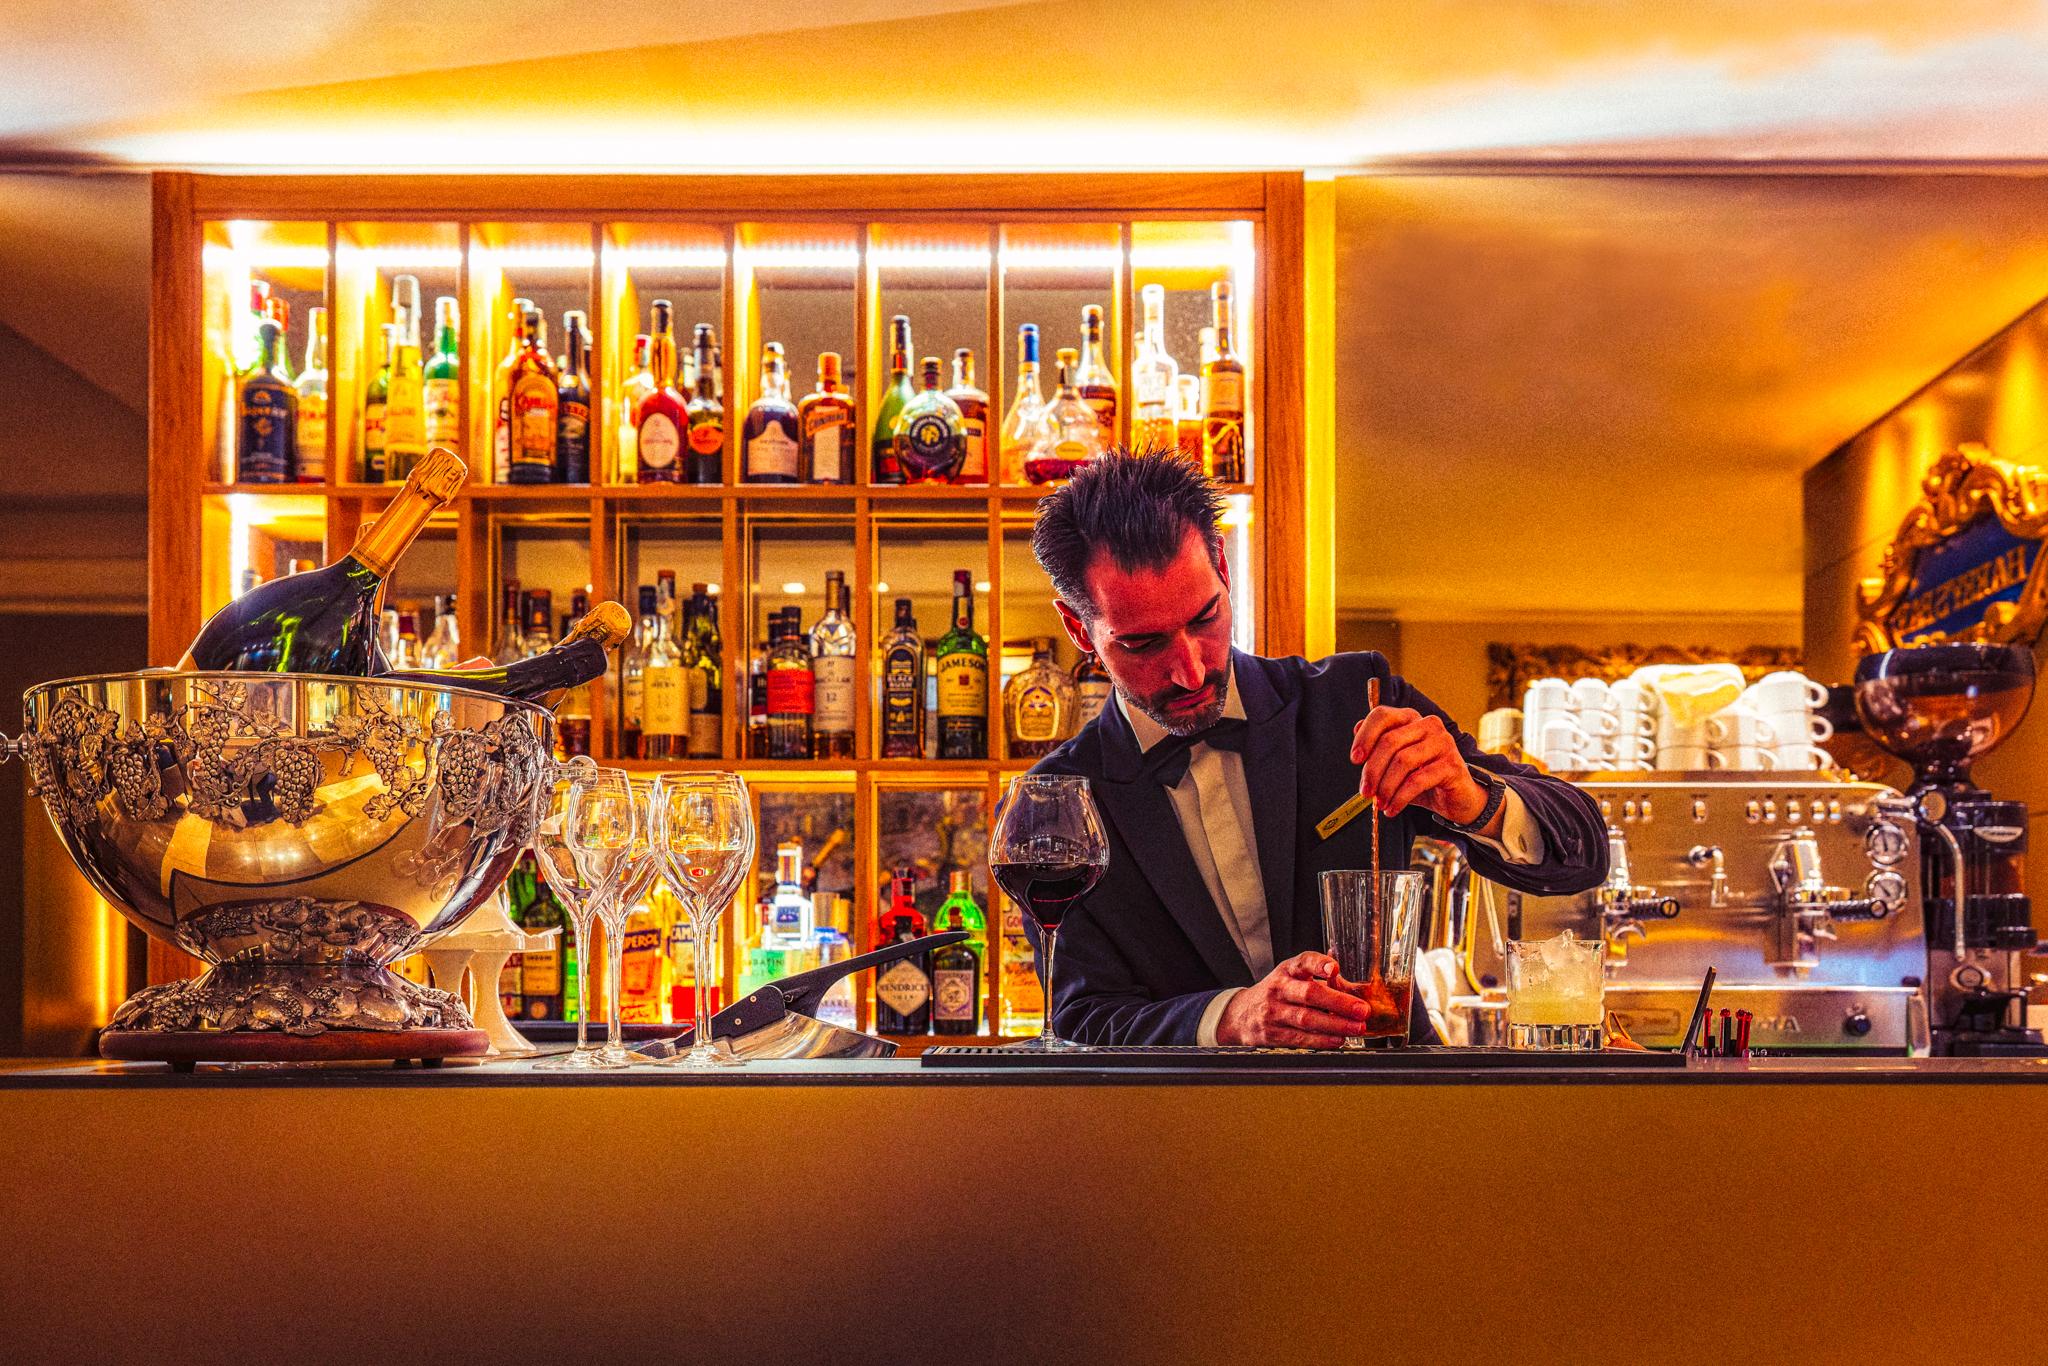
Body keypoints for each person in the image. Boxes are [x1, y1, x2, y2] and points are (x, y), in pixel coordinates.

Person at [1025, 451, 1609, 1047]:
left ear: (1223, 567)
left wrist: (1476, 801)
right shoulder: (1056, 803)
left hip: (1389, 1098)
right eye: (1143, 644)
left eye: (1205, 618)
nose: (1191, 670)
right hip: (1195, 1111)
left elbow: (1584, 853)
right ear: (1078, 628)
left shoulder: (1357, 700)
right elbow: (1080, 1019)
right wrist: (1231, 1017)